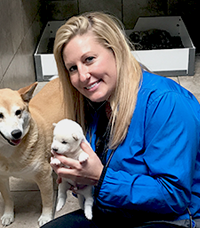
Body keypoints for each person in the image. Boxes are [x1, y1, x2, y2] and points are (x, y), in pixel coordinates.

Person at [43, 12, 200, 228]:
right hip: (120, 209)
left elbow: (173, 196)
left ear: (115, 51)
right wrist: (76, 174)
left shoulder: (168, 103)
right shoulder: (96, 103)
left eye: (89, 59)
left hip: (174, 217)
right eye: (73, 68)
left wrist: (100, 178)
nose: (82, 76)